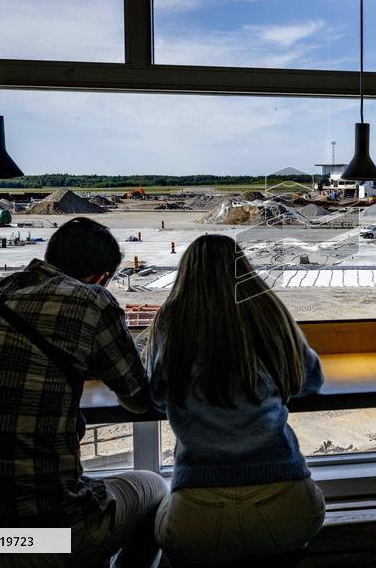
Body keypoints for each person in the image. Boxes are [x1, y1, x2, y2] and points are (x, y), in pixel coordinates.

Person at [0, 217, 166, 568]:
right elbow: (137, 398)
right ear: (101, 276)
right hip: (39, 538)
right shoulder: (90, 300)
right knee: (153, 487)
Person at [148, 234, 325, 565]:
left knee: (152, 503)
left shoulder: (171, 319)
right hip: (287, 505)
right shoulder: (270, 310)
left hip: (198, 511)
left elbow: (157, 396)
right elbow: (310, 381)